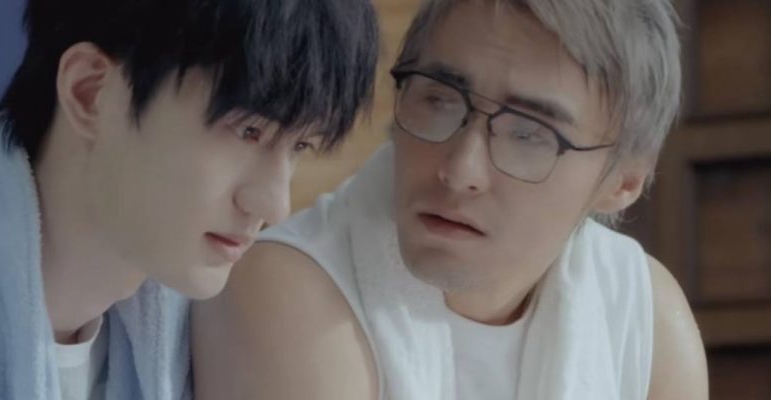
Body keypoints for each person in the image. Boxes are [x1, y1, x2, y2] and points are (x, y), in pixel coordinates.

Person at [192, 0, 708, 399]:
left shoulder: (645, 322)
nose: (460, 171)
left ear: (624, 181)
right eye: (439, 100)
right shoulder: (289, 288)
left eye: (529, 133)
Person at [0, 0, 378, 398]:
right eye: (248, 131)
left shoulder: (202, 332)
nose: (275, 205)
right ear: (90, 92)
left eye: (300, 146)